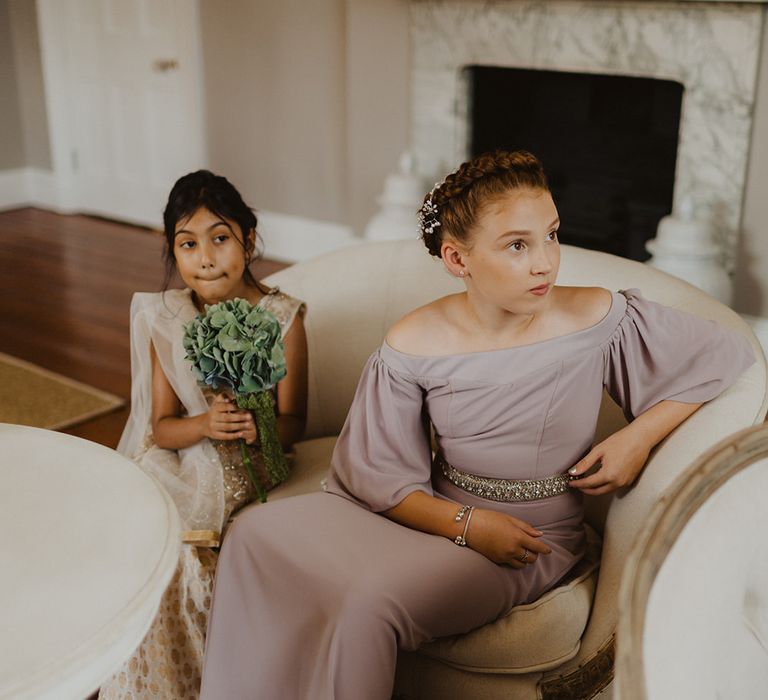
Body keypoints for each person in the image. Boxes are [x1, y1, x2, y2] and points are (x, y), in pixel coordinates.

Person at [200, 150, 754, 700]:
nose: (546, 262)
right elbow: (379, 479)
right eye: (518, 245)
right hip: (441, 514)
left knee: (368, 604)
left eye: (552, 235)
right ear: (457, 260)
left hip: (530, 541)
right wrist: (465, 523)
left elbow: (727, 353)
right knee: (251, 534)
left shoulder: (598, 317)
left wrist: (639, 436)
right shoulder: (413, 343)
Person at [99, 170, 308, 699]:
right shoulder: (165, 317)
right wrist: (204, 425)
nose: (206, 257)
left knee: (189, 556)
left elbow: (294, 422)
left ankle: (208, 680)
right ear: (172, 251)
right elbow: (163, 430)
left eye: (220, 238)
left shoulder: (282, 317)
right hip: (185, 454)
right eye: (188, 244)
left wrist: (253, 426)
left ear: (249, 240)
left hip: (247, 459)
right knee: (141, 534)